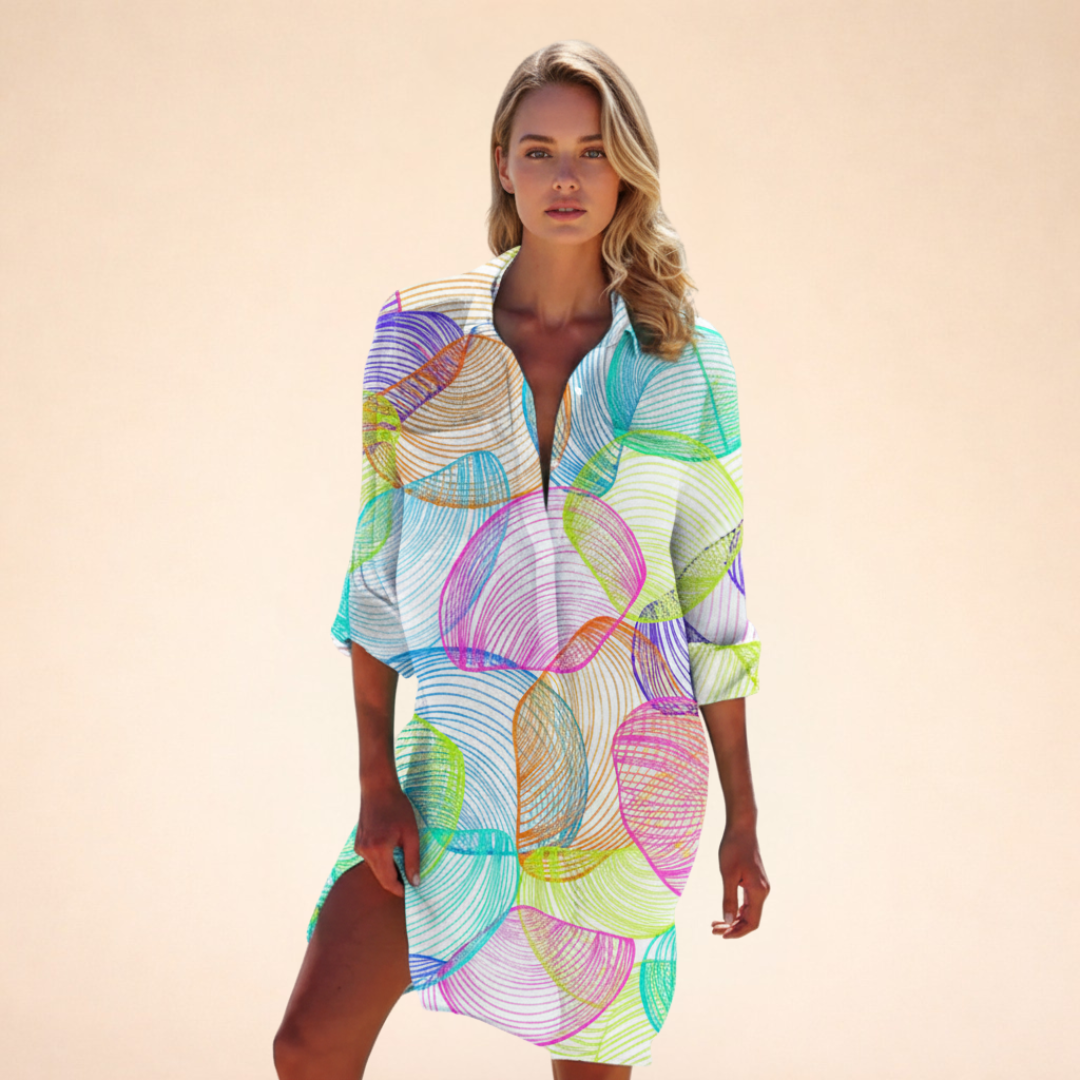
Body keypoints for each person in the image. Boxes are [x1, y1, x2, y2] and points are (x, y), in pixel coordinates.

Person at [274, 39, 770, 1080]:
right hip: (458, 761)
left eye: (591, 151)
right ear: (502, 164)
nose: (565, 177)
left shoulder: (684, 357)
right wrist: (376, 777)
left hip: (624, 776)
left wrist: (744, 819)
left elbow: (713, 602)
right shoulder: (420, 335)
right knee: (310, 1046)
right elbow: (376, 573)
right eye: (539, 150)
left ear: (626, 168)